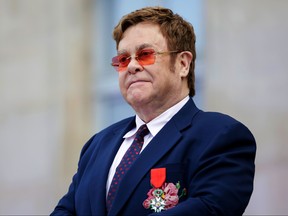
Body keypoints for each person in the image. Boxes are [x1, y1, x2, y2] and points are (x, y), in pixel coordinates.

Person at [51, 6, 256, 216]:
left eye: (145, 54)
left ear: (183, 64)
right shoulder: (97, 145)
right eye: (123, 59)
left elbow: (210, 208)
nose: (131, 66)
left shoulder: (219, 134)